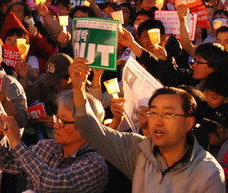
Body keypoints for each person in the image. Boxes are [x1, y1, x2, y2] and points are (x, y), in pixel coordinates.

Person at [69, 57, 225, 192]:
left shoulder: (207, 172)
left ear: (188, 122)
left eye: (168, 114)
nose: (158, 121)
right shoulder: (138, 150)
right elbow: (90, 129)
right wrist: (78, 88)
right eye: (154, 113)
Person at [0, 90, 108, 193]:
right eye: (57, 118)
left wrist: (16, 141)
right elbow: (7, 164)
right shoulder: (47, 146)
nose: (55, 125)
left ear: (85, 127)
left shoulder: (94, 164)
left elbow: (52, 184)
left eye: (62, 121)